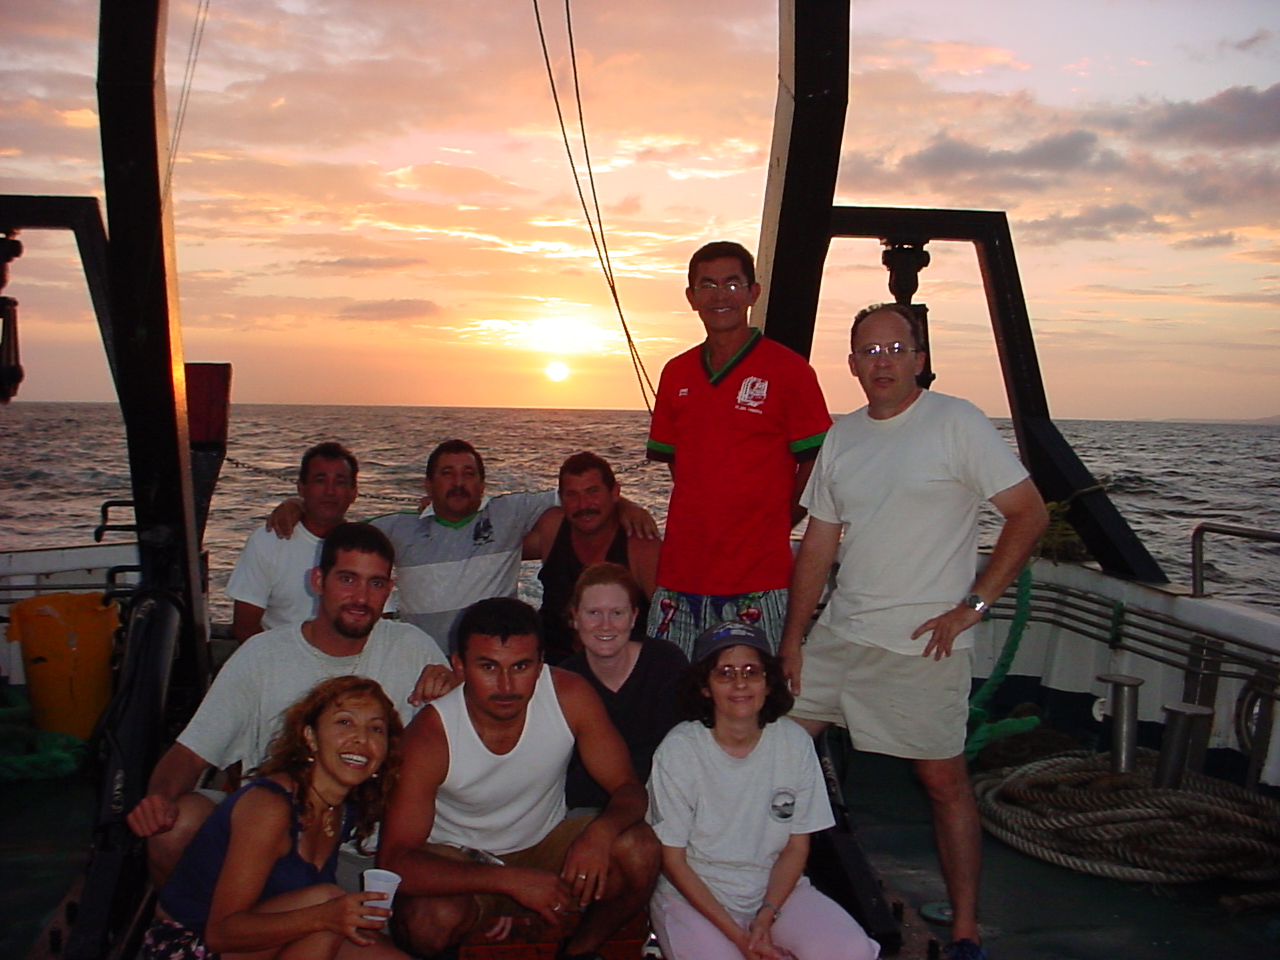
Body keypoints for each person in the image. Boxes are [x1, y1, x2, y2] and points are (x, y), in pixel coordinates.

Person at [779, 302, 1050, 960]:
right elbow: (817, 544)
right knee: (772, 752)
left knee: (943, 782)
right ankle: (756, 890)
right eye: (869, 352)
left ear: (919, 358)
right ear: (851, 365)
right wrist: (793, 637)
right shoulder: (843, 435)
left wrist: (975, 606)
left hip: (924, 646)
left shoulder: (955, 422)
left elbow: (1029, 513)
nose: (883, 363)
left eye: (896, 349)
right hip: (840, 638)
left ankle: (963, 928)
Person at [128, 523, 455, 886]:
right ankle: (191, 932)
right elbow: (191, 754)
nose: (361, 597)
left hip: (366, 850)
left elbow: (470, 734)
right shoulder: (262, 655)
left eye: (375, 583)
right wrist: (158, 799)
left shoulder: (411, 648)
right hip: (268, 839)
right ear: (318, 580)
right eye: (347, 579)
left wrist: (456, 687)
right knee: (175, 827)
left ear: (389, 591)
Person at [377, 597, 660, 960]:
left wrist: (601, 833)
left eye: (522, 666)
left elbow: (629, 789)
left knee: (640, 849)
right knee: (426, 920)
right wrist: (507, 882)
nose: (507, 685)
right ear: (459, 666)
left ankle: (579, 952)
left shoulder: (569, 695)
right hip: (460, 862)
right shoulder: (431, 736)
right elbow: (395, 860)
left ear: (541, 664)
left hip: (544, 846)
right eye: (489, 667)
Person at [270, 439, 657, 654]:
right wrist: (297, 507)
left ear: (483, 485)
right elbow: (339, 536)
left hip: (493, 662)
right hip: (421, 663)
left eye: (468, 473)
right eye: (447, 474)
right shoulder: (397, 530)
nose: (458, 482)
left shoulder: (508, 515)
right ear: (428, 485)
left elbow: (580, 502)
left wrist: (626, 504)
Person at [646, 621, 879, 960]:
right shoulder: (679, 750)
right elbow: (673, 860)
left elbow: (796, 847)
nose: (740, 683)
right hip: (695, 896)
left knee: (852, 952)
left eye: (751, 671)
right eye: (724, 673)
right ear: (705, 687)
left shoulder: (794, 743)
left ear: (769, 682)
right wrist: (740, 939)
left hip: (775, 894)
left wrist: (765, 917)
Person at [645, 241, 831, 655]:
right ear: (691, 297)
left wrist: (779, 520)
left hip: (758, 579)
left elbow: (817, 461)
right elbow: (682, 465)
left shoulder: (790, 371)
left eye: (732, 283)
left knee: (749, 704)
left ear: (753, 292)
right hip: (680, 574)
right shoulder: (675, 372)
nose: (719, 295)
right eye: (707, 285)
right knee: (673, 694)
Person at [142, 676, 408, 960]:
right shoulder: (269, 806)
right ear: (310, 737)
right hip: (194, 946)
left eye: (376, 728)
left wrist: (329, 917)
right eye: (344, 722)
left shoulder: (340, 809)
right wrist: (325, 916)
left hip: (273, 936)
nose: (362, 738)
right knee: (327, 903)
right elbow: (221, 933)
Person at [558, 563, 686, 810]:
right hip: (588, 808)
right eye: (593, 613)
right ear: (575, 617)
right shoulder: (564, 681)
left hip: (667, 803)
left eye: (617, 613)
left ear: (634, 617)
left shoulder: (666, 664)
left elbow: (684, 750)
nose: (605, 625)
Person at [524, 452, 662, 663]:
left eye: (593, 492)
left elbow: (669, 620)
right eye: (572, 495)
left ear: (615, 493)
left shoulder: (640, 546)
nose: (583, 504)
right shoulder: (552, 527)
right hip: (553, 662)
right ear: (561, 498)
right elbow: (497, 550)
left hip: (618, 664)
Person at [228, 441, 359, 641]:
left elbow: (379, 622)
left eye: (340, 482)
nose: (330, 491)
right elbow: (244, 628)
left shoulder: (365, 548)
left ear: (353, 492)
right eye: (320, 480)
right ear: (301, 488)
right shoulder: (268, 542)